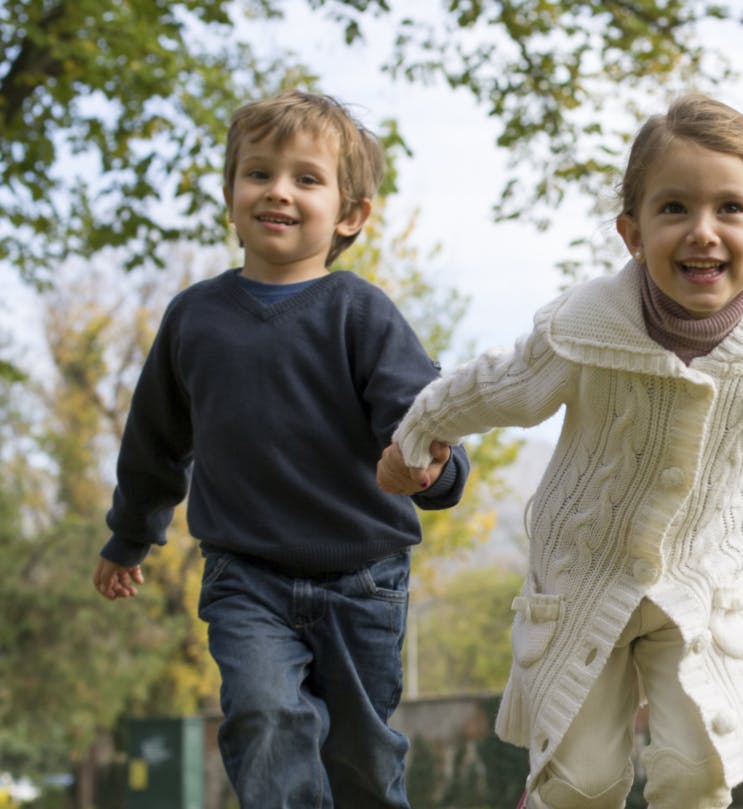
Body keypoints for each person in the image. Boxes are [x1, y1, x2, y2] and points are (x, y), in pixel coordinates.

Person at [383, 94, 743, 809]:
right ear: (632, 231)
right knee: (581, 780)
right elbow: (498, 385)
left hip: (700, 584)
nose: (701, 232)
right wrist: (421, 430)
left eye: (730, 210)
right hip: (584, 573)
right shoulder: (585, 327)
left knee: (698, 770)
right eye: (674, 208)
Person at [93, 90, 470, 808]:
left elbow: (419, 415)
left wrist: (433, 466)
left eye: (306, 178)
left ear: (350, 213)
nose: (278, 191)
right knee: (264, 717)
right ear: (230, 195)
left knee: (360, 757)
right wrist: (128, 537)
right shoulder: (194, 318)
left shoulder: (361, 313)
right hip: (247, 575)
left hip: (362, 576)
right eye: (258, 173)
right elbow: (153, 441)